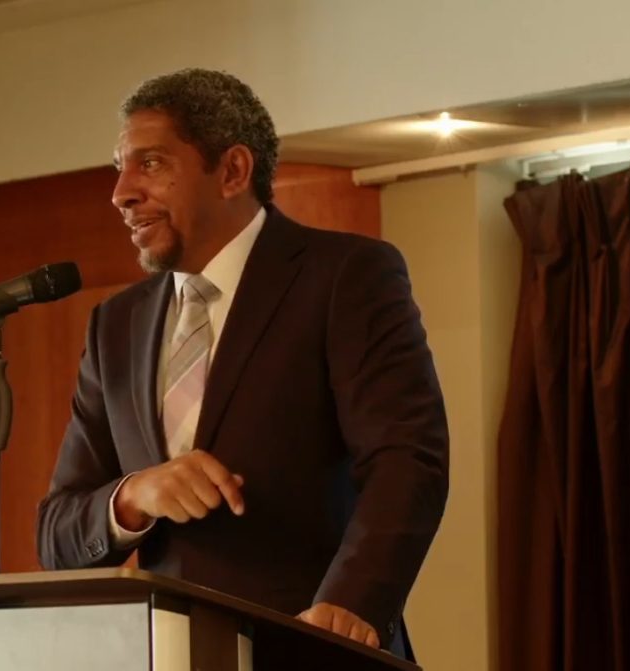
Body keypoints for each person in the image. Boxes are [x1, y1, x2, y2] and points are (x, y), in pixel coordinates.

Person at [36, 68, 448, 659]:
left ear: (232, 170)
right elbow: (58, 532)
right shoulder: (115, 325)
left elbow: (408, 461)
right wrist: (133, 496)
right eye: (120, 168)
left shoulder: (345, 277)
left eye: (150, 163)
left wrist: (353, 603)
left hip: (315, 652)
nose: (121, 192)